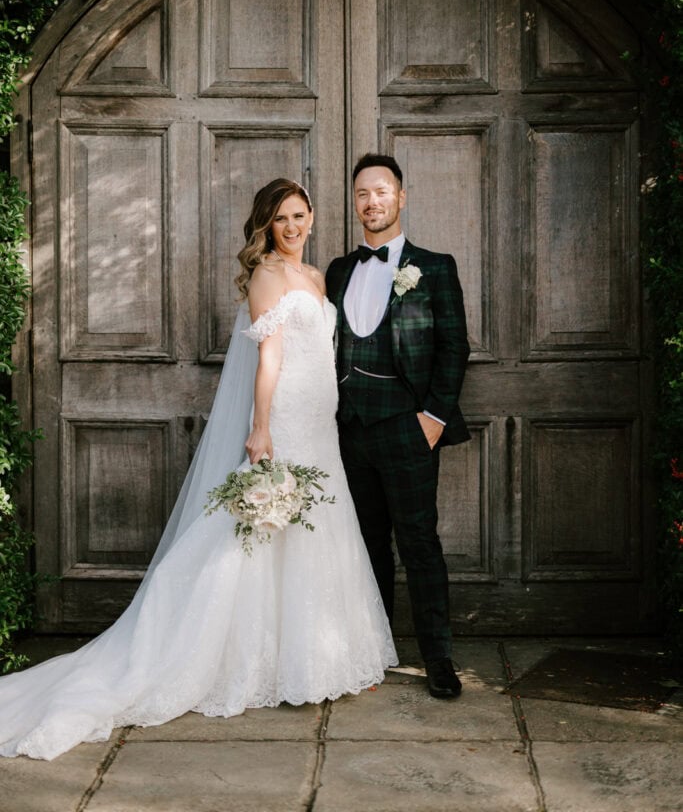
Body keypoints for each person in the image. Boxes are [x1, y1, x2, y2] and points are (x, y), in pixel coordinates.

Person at [0, 178, 396, 760]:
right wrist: (261, 428)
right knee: (258, 535)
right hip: (285, 419)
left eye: (299, 215)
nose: (292, 227)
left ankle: (324, 659)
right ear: (267, 224)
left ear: (313, 216)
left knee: (320, 531)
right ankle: (212, 648)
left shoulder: (316, 277)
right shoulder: (267, 276)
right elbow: (270, 358)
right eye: (281, 218)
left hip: (321, 424)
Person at [326, 154, 470, 700]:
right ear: (355, 202)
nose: (372, 202)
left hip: (409, 431)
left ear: (400, 198)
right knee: (365, 546)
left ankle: (439, 659)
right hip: (350, 431)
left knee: (419, 544)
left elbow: (454, 347)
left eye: (381, 191)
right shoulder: (340, 270)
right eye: (362, 193)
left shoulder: (433, 268)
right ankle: (375, 651)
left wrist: (432, 419)